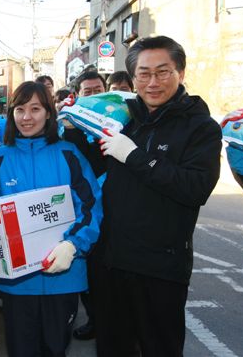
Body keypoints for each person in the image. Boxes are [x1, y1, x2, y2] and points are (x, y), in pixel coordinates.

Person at [65, 35, 222, 356]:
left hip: (161, 267)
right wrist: (69, 131)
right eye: (144, 74)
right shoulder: (122, 119)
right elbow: (89, 175)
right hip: (110, 264)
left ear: (180, 73)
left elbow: (194, 188)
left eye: (163, 72)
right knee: (112, 348)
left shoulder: (200, 127)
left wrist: (135, 155)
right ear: (132, 78)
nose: (153, 82)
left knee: (159, 349)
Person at [0, 81, 102, 356]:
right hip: (17, 282)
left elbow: (92, 207)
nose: (26, 117)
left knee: (55, 349)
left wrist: (73, 246)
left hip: (63, 278)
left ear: (49, 113)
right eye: (19, 109)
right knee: (21, 350)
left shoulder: (69, 154)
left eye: (35, 109)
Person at [71, 68, 108, 341]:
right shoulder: (68, 128)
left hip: (116, 211)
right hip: (81, 208)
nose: (94, 96)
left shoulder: (124, 124)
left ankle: (108, 322)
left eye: (98, 91)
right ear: (77, 96)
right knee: (85, 267)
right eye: (88, 92)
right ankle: (94, 318)